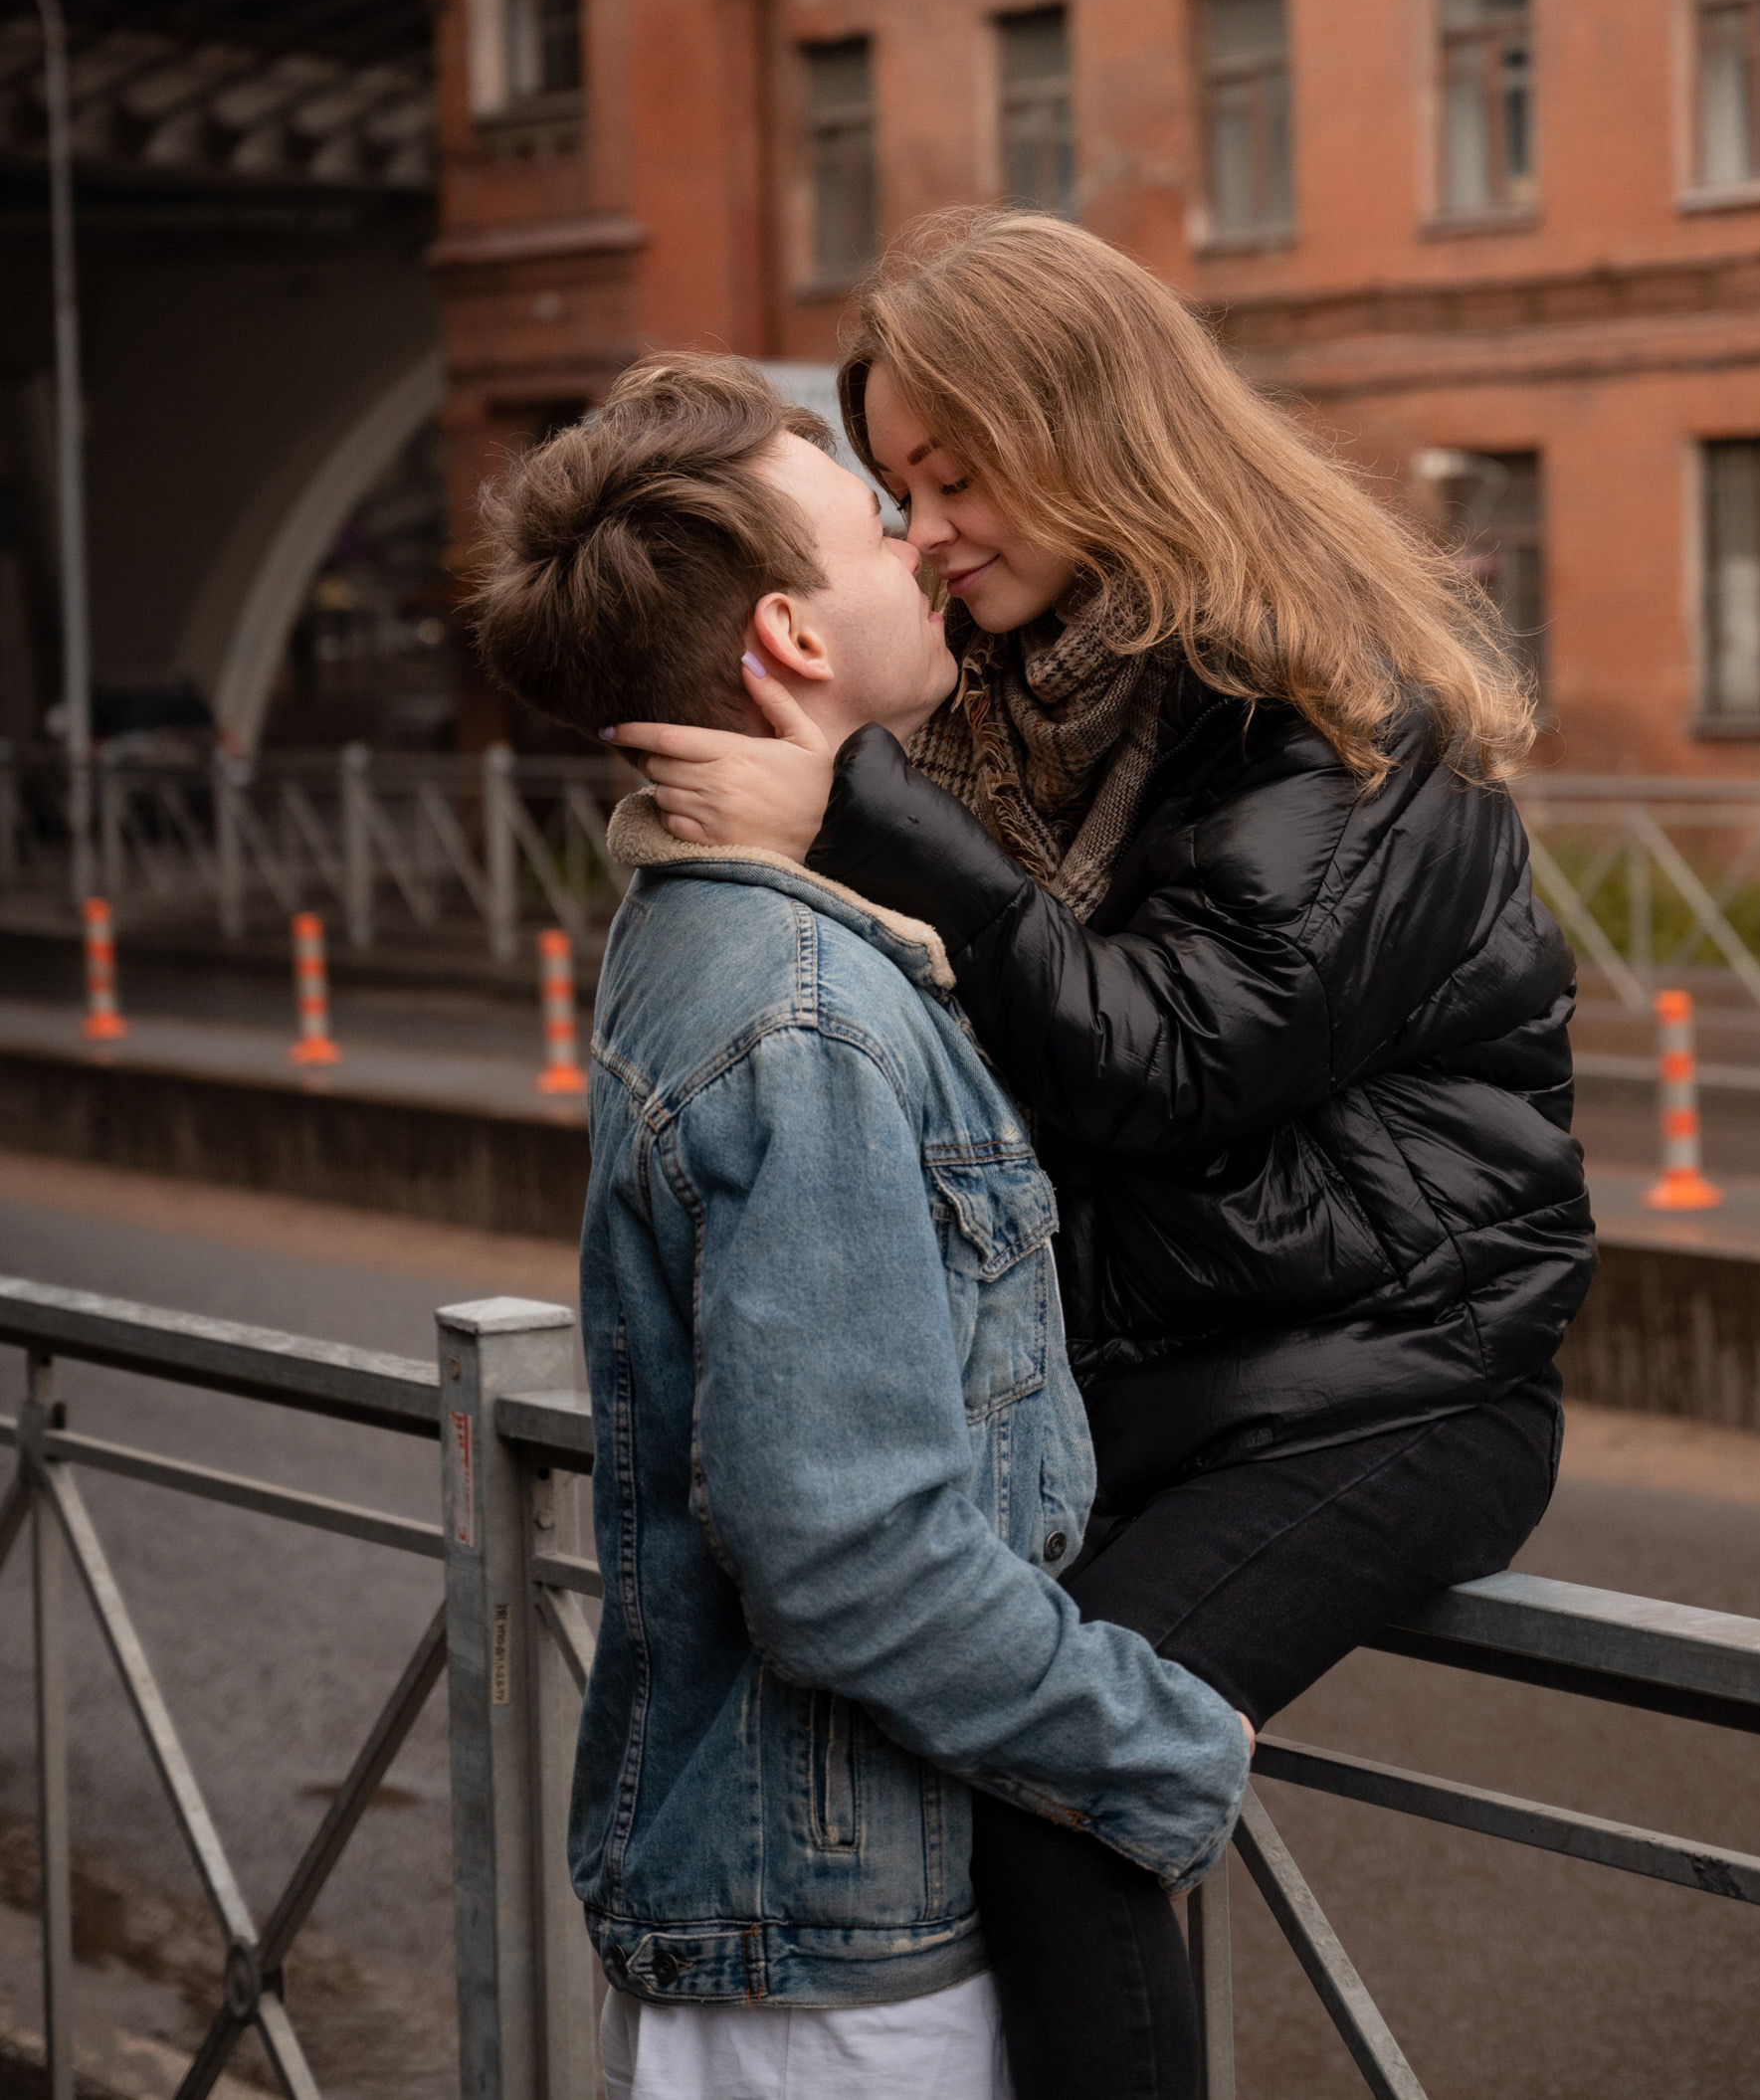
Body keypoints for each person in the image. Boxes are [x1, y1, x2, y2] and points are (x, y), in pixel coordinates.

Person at [609, 211, 1597, 2100]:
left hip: (1394, 1386)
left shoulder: (1336, 712)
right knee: (897, 1688)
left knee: (1059, 1794)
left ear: (1092, 432)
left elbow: (1167, 1059)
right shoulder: (1025, 696)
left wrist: (855, 802)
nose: (925, 532)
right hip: (1158, 1380)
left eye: (958, 475)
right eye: (899, 490)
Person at [468, 351, 1251, 2100]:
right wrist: (1163, 1747)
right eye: (878, 524)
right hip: (838, 1971)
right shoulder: (801, 1013)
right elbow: (845, 1550)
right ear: (793, 636)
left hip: (788, 1924)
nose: (923, 546)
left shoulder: (719, 931)